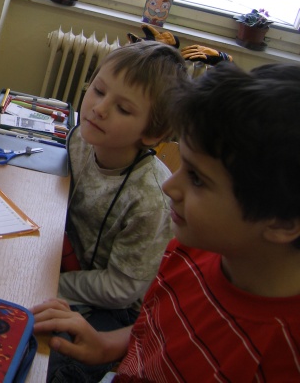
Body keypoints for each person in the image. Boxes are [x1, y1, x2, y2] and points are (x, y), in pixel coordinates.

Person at [33, 62, 300, 381]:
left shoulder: (284, 354)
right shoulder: (187, 252)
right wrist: (107, 345)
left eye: (197, 179)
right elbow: (154, 324)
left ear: (283, 223)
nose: (169, 186)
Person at [53, 41, 188, 380]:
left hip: (114, 308)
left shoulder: (151, 199)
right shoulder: (81, 139)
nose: (99, 109)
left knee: (53, 362)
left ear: (153, 133)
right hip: (66, 267)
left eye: (123, 109)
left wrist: (51, 284)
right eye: (98, 90)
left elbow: (121, 289)